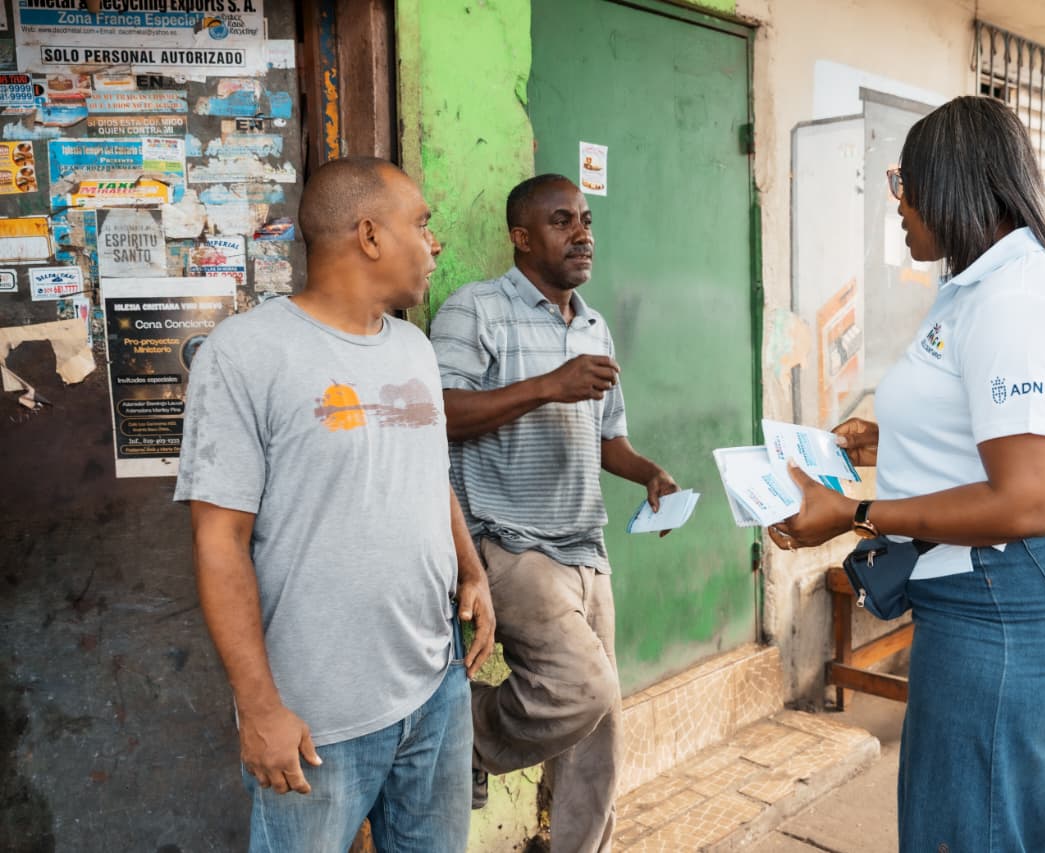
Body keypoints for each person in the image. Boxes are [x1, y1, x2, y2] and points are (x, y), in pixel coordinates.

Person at [770, 97, 1045, 852]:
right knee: (998, 823)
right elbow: (981, 421)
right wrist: (886, 438)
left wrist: (856, 514)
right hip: (994, 588)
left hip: (1006, 596)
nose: (898, 202)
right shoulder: (982, 286)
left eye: (907, 181)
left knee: (970, 831)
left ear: (956, 183)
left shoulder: (1016, 301)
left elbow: (1027, 499)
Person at [175, 156, 495, 853]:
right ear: (370, 235)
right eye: (421, 224)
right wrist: (260, 710)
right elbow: (219, 541)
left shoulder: (413, 347)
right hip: (317, 722)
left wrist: (471, 569)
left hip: (435, 691)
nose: (434, 242)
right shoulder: (245, 354)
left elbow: (427, 470)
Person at [430, 173, 678, 852]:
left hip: (585, 546)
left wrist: (647, 472)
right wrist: (547, 386)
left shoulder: (593, 326)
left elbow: (607, 436)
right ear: (521, 236)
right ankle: (462, 733)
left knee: (600, 731)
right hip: (508, 542)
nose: (582, 234)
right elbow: (439, 413)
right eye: (562, 221)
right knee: (581, 690)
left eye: (586, 220)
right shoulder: (475, 310)